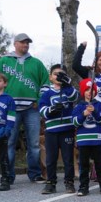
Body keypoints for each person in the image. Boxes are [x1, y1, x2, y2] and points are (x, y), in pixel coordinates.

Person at [0, 33, 49, 184]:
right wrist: (0, 102)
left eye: (27, 43)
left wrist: (39, 100)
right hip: (10, 109)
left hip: (31, 108)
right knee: (9, 142)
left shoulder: (36, 63)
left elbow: (45, 83)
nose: (25, 45)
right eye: (23, 42)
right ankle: (8, 175)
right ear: (15, 44)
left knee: (34, 143)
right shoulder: (3, 62)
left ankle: (35, 174)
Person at [38, 65, 78, 194]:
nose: (58, 77)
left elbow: (75, 97)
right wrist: (51, 110)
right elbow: (42, 109)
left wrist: (68, 84)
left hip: (67, 129)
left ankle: (69, 182)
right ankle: (51, 183)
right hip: (51, 131)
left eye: (61, 75)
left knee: (68, 158)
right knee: (51, 158)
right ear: (50, 77)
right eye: (56, 74)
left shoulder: (68, 90)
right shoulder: (47, 93)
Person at [72, 78, 101, 196]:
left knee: (99, 164)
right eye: (87, 90)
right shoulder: (78, 106)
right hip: (83, 140)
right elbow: (74, 122)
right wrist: (83, 114)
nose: (90, 92)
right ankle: (83, 186)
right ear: (83, 91)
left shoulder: (99, 105)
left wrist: (94, 112)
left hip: (97, 140)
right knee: (83, 165)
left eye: (92, 90)